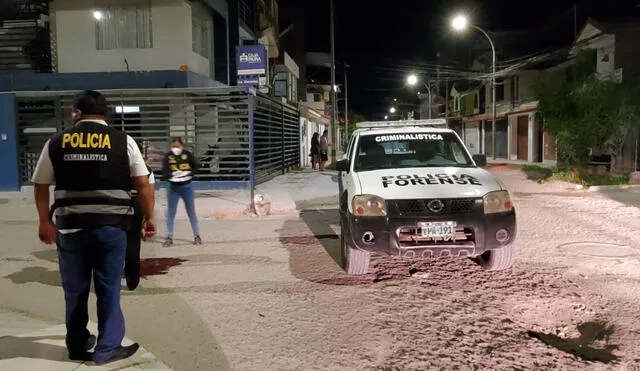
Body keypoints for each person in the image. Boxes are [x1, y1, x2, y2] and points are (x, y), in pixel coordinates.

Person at [32, 90, 156, 364]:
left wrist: (44, 222)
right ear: (105, 114)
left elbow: (41, 184)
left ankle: (76, 344)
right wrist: (149, 218)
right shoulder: (124, 141)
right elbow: (143, 184)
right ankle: (107, 348)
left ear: (77, 113)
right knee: (108, 287)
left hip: (71, 229)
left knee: (74, 289)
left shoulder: (57, 141)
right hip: (111, 228)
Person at [125, 141, 156, 291]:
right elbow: (150, 195)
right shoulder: (147, 170)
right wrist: (149, 217)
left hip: (117, 206)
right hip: (137, 207)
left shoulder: (116, 167)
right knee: (133, 244)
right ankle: (132, 279)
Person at [161, 137, 202, 247]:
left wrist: (188, 174)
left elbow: (195, 168)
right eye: (174, 146)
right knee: (171, 213)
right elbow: (164, 171)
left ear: (182, 146)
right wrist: (172, 175)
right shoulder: (168, 156)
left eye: (177, 146)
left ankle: (197, 236)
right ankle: (169, 237)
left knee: (191, 212)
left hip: (187, 187)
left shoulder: (187, 155)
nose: (176, 148)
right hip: (173, 188)